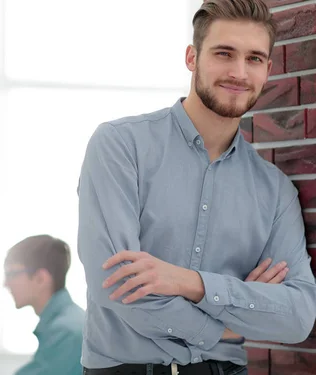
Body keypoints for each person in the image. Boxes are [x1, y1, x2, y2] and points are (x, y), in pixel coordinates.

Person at [76, 0, 316, 374]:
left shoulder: (275, 191)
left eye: (253, 59)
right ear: (192, 57)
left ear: (268, 69)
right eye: (224, 53)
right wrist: (229, 329)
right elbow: (117, 288)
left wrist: (192, 284)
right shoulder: (120, 146)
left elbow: (297, 317)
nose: (239, 72)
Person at [3, 234, 85, 375]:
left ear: (41, 278)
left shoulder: (67, 332)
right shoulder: (68, 323)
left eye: (11, 273)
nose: (5, 284)